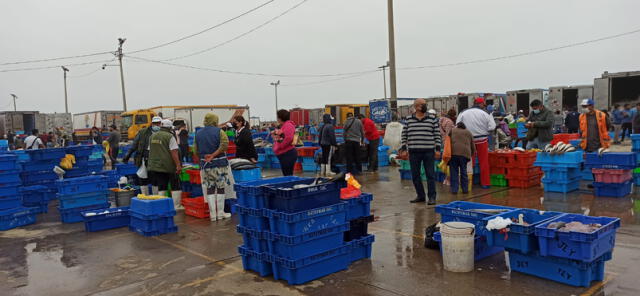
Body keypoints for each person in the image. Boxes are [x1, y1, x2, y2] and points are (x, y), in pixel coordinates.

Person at [399, 98, 442, 205]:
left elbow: (437, 135)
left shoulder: (432, 119)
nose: (425, 106)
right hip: (414, 152)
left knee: (430, 175)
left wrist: (437, 149)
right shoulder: (408, 119)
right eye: (423, 104)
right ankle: (421, 196)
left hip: (428, 152)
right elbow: (404, 135)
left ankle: (432, 197)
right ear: (417, 106)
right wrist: (404, 149)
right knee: (415, 175)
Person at [195, 113, 232, 221]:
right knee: (220, 188)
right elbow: (224, 145)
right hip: (219, 164)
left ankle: (212, 215)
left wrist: (203, 159)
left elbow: (195, 150)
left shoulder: (198, 133)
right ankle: (220, 214)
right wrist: (213, 155)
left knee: (210, 188)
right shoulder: (219, 131)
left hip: (205, 165)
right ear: (215, 120)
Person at [456, 97, 495, 188]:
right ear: (481, 104)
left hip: (468, 140)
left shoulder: (463, 112)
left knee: (469, 162)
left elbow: (457, 125)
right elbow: (492, 127)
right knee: (484, 162)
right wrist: (484, 130)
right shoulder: (486, 113)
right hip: (482, 140)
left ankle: (468, 183)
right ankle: (485, 184)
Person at [148, 119, 183, 209]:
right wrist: (178, 165)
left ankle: (161, 206)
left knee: (161, 185)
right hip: (169, 165)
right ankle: (176, 206)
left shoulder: (152, 136)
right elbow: (174, 152)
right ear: (169, 127)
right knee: (175, 185)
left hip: (156, 166)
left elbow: (149, 150)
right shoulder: (169, 136)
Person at [123, 116, 162, 195]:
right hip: (145, 158)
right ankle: (145, 196)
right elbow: (134, 145)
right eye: (155, 123)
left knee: (155, 179)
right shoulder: (143, 132)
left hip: (158, 159)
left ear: (161, 124)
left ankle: (156, 197)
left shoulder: (163, 133)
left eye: (158, 123)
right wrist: (127, 155)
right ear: (151, 123)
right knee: (142, 178)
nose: (156, 125)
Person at [448, 122, 476, 194]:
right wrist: (471, 154)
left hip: (453, 154)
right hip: (464, 154)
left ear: (457, 126)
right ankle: (465, 189)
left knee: (454, 172)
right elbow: (473, 146)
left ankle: (454, 190)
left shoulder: (452, 130)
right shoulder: (468, 132)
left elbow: (447, 141)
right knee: (463, 171)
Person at [272, 110, 298, 176]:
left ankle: (290, 186)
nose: (277, 119)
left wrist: (279, 146)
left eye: (278, 117)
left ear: (281, 118)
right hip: (284, 154)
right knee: (286, 174)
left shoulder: (288, 125)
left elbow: (289, 138)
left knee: (288, 175)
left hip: (287, 154)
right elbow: (283, 137)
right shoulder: (284, 126)